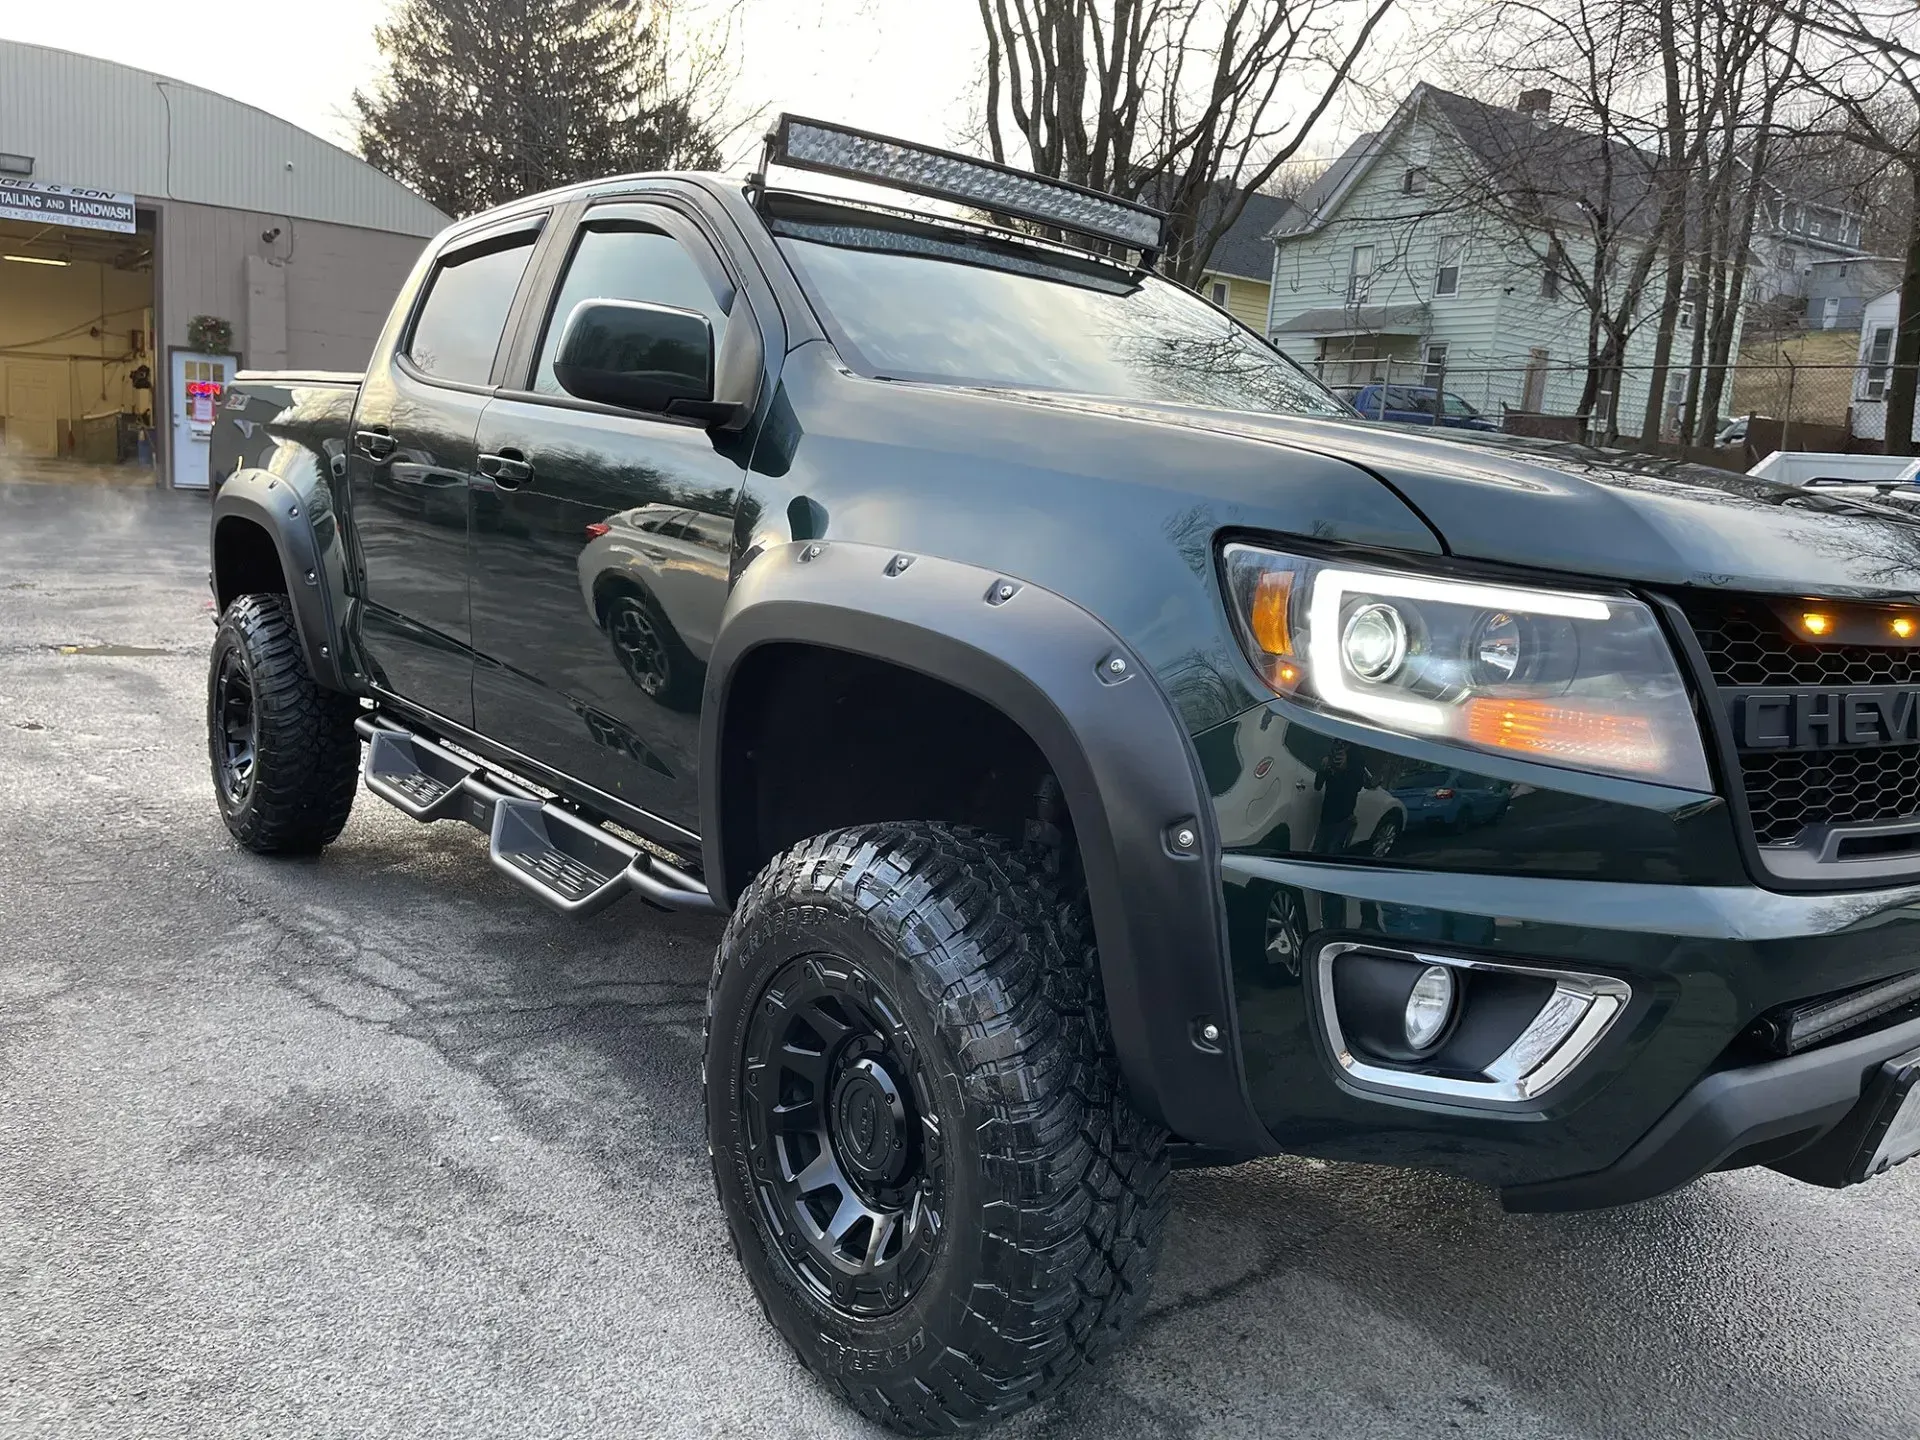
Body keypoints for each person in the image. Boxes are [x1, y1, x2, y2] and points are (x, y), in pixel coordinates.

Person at [1312, 741, 1373, 854]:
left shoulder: (1356, 757)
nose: (1340, 748)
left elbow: (1357, 786)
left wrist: (1346, 769)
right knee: (1317, 853)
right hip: (1326, 816)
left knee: (1332, 854)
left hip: (1343, 818)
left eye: (1343, 745)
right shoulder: (1332, 754)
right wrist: (1323, 769)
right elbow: (1318, 786)